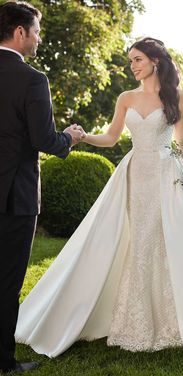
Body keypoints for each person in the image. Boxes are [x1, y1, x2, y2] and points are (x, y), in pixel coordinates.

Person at [15, 37, 183, 370]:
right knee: (134, 240)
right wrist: (83, 136)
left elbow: (182, 144)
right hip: (134, 175)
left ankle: (176, 322)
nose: (132, 66)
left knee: (169, 243)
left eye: (137, 60)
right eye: (131, 60)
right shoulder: (125, 98)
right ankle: (133, 319)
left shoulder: (179, 97)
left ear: (156, 62)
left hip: (167, 176)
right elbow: (113, 137)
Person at [0, 1, 83, 373]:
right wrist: (69, 137)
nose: (38, 38)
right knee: (6, 281)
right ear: (20, 33)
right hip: (14, 197)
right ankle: (3, 361)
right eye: (36, 31)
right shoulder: (33, 79)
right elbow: (44, 139)